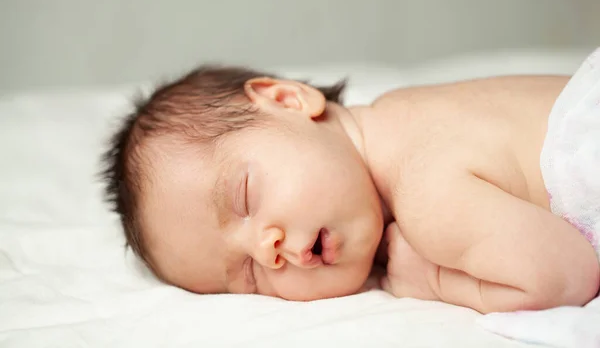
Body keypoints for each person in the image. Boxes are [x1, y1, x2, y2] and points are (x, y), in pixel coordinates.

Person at [101, 49, 600, 313]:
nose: (266, 250)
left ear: (288, 101)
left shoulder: (426, 191)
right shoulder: (407, 108)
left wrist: (433, 279)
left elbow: (565, 275)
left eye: (245, 197)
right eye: (249, 278)